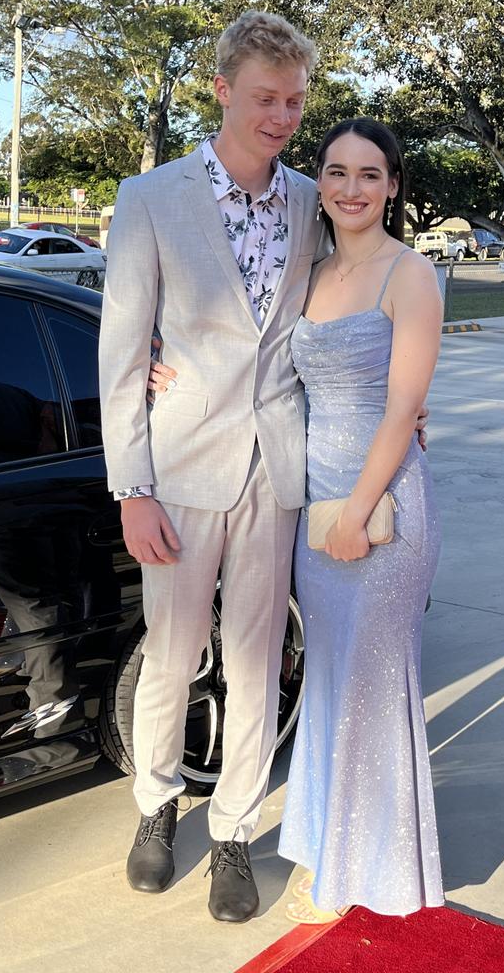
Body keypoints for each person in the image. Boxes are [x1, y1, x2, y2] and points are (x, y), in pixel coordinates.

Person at [149, 118, 444, 923]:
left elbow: (403, 409)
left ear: (393, 187)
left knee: (375, 688)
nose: (352, 188)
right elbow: (240, 347)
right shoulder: (306, 273)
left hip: (378, 514)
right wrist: (152, 359)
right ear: (321, 182)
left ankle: (375, 873)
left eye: (371, 174)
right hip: (311, 508)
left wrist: (355, 513)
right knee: (332, 688)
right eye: (338, 172)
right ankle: (330, 847)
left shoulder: (409, 275)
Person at [98, 11, 323, 923]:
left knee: (260, 658)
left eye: (296, 100)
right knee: (173, 654)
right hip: (181, 468)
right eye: (266, 98)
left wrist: (403, 396)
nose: (282, 116)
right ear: (223, 89)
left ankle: (233, 825)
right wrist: (131, 486)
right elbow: (119, 349)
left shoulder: (312, 198)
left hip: (278, 469)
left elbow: (351, 307)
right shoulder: (149, 196)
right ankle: (156, 808)